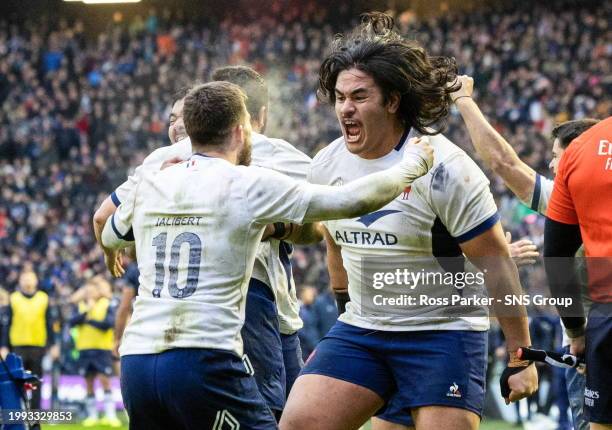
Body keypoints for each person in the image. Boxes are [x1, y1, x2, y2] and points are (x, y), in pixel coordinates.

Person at [100, 80, 433, 429]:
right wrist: (411, 165)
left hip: (137, 364)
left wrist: (111, 253)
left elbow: (109, 232)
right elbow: (350, 201)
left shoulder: (155, 179)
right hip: (203, 358)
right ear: (240, 131)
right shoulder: (247, 183)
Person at [281, 13, 538, 430]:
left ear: (393, 101)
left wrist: (519, 357)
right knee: (299, 423)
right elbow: (334, 243)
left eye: (359, 96)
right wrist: (347, 308)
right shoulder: (326, 164)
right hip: (365, 330)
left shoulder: (447, 169)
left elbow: (497, 264)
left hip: (444, 332)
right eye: (340, 97)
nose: (345, 108)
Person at [450, 74, 599, 430]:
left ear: (579, 159)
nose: (550, 165)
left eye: (556, 157)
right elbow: (504, 163)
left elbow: (505, 164)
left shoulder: (569, 200)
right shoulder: (571, 200)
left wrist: (464, 102)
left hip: (592, 350)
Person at [544, 116, 612, 430]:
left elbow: (556, 256)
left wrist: (575, 332)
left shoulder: (583, 150)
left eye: (554, 156)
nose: (550, 164)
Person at [0, 269, 59, 411]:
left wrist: (53, 344)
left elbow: (49, 323)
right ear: (20, 281)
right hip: (17, 347)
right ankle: (18, 414)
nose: (27, 281)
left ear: (36, 281)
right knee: (16, 382)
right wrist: (3, 345)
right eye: (25, 278)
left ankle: (34, 417)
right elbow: (7, 325)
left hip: (37, 347)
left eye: (30, 278)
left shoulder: (43, 298)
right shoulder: (13, 298)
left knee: (35, 383)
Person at [69, 279, 120, 428]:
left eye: (93, 291)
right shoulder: (81, 306)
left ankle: (110, 416)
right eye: (88, 291)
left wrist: (88, 320)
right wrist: (87, 313)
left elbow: (108, 324)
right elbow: (71, 322)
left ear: (98, 292)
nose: (90, 293)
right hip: (84, 348)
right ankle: (92, 416)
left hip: (102, 348)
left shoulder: (106, 304)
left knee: (105, 380)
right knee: (88, 382)